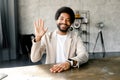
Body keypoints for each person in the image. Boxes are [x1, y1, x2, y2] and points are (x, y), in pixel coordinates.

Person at [30, 6, 89, 73]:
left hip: (69, 73)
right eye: (61, 19)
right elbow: (34, 59)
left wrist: (69, 63)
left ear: (71, 23)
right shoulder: (47, 37)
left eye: (68, 20)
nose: (64, 22)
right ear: (56, 20)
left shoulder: (75, 37)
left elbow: (84, 55)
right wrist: (37, 38)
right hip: (51, 72)